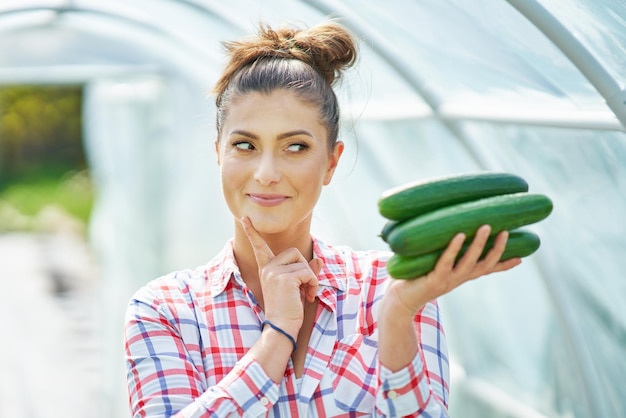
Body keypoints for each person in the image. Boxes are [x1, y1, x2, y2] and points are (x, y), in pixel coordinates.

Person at [124, 20, 521, 417]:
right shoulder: (165, 310)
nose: (265, 172)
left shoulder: (390, 289)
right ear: (218, 154)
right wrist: (277, 333)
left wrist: (398, 318)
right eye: (244, 145)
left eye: (295, 146)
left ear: (331, 162)